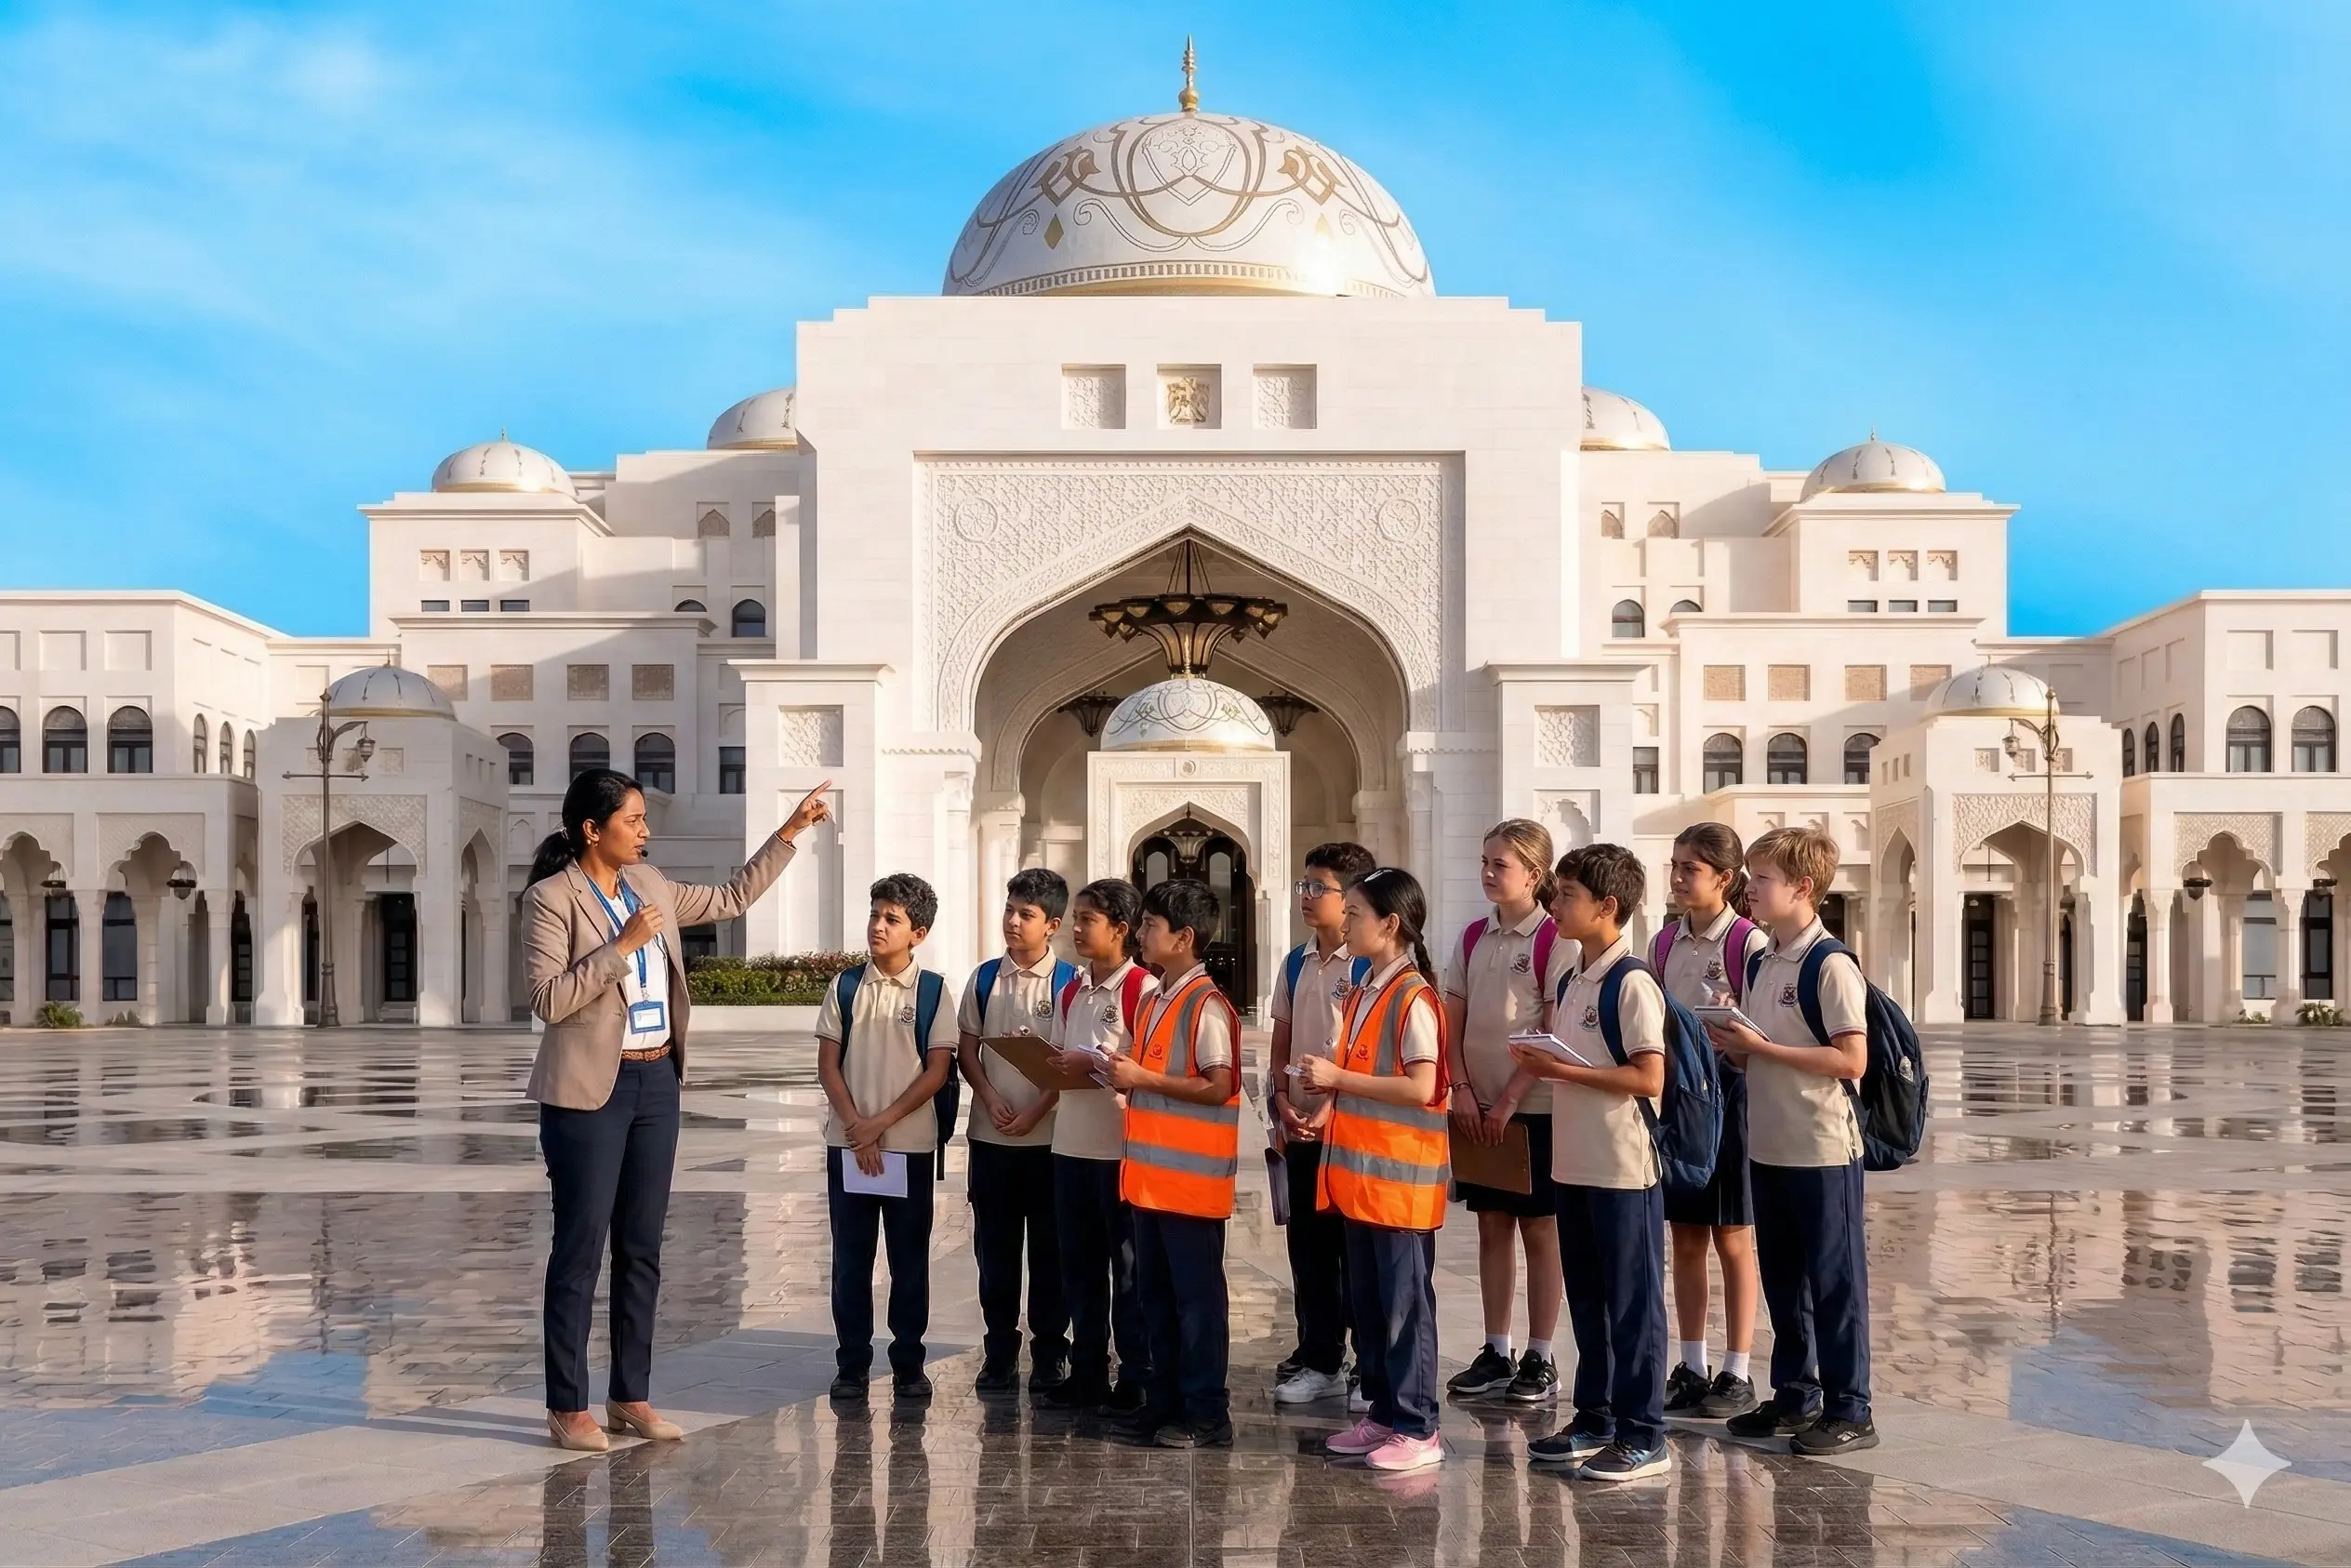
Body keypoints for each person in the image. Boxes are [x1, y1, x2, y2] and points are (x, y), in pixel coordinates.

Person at [524, 769, 831, 1452]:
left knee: (643, 1248)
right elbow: (548, 1000)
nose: (645, 831)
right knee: (579, 1251)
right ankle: (566, 1405)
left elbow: (732, 896)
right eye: (633, 820)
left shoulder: (652, 885)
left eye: (643, 819)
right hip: (587, 1096)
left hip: (655, 1080)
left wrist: (791, 830)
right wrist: (622, 947)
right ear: (592, 830)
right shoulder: (551, 899)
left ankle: (631, 1395)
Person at [1704, 825, 1879, 1456]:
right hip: (1770, 1142)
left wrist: (1763, 1048)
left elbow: (1851, 1060)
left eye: (1764, 879)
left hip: (1822, 1148)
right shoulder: (1761, 959)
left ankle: (1850, 1407)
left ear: (1804, 887)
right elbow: (1765, 1054)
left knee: (1834, 1281)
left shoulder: (1829, 965)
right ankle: (1796, 1395)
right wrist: (1739, 1045)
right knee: (1785, 1278)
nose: (1751, 890)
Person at [1513, 843, 1670, 1482]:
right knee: (1590, 1300)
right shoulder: (1574, 975)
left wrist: (1559, 1069)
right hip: (1575, 1163)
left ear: (1608, 906)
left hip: (1622, 1168)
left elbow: (1649, 1076)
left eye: (1567, 896)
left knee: (1632, 1306)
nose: (1554, 905)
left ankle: (1644, 1434)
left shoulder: (1631, 982)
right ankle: (1596, 1416)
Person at [1304, 866, 1450, 1473]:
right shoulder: (1367, 989)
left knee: (1403, 1309)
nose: (1348, 921)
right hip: (1361, 1183)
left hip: (1399, 1186)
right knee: (1371, 1306)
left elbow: (1422, 1086)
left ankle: (1418, 1427)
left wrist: (1337, 1080)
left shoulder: (1414, 996)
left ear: (1390, 924)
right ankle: (1386, 1415)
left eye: (1357, 912)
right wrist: (1329, 1104)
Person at [1109, 878, 1241, 1448]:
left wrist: (1142, 1078)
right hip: (1151, 1181)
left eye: (1149, 926)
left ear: (1184, 937)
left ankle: (1207, 1412)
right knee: (1155, 1299)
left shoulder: (1206, 1003)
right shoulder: (1157, 996)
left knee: (1197, 1306)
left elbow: (1218, 1085)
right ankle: (1164, 1402)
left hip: (1191, 1184)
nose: (1140, 934)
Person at [817, 873, 959, 1402]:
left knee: (908, 1259)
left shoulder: (933, 990)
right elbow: (828, 1064)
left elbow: (936, 1070)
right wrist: (858, 1126)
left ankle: (908, 1362)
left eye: (892, 919)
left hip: (909, 1146)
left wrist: (880, 1124)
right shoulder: (846, 986)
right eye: (875, 914)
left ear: (917, 933)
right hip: (849, 1145)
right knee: (851, 1258)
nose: (878, 926)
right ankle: (851, 1363)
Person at [1443, 818, 1566, 1405]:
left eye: (1502, 865)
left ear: (1535, 875)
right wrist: (1462, 1088)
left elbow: (1550, 1028)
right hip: (1475, 1108)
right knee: (1492, 1227)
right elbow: (1454, 1018)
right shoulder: (1472, 937)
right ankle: (1497, 1347)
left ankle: (1541, 1356)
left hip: (1533, 1108)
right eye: (1485, 861)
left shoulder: (1554, 940)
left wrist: (1512, 1098)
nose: (1489, 873)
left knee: (1540, 1230)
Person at [1655, 823, 1768, 1420]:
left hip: (1733, 1096)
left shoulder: (1747, 945)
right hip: (1682, 1102)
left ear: (1724, 879)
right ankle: (1692, 1363)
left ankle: (1738, 1369)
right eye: (1674, 866)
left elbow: (1763, 1028)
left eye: (1689, 869)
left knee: (1734, 1236)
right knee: (1687, 1236)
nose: (1677, 878)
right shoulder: (1663, 945)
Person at [956, 868, 1075, 1397]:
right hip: (991, 1139)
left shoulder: (1071, 984)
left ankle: (1051, 1354)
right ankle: (999, 1351)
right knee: (996, 1252)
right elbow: (967, 1048)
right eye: (1009, 910)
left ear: (1052, 924)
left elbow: (1077, 1064)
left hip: (1052, 1143)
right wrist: (990, 1096)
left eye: (1026, 914)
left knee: (1051, 1254)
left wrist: (1037, 1110)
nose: (1012, 921)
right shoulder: (984, 978)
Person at [1040, 878, 1156, 1416]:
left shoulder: (1144, 992)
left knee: (1129, 1272)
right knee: (1079, 1269)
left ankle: (1136, 1375)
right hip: (1070, 1148)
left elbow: (1150, 1073)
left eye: (1089, 919)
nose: (1077, 929)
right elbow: (1063, 1064)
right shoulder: (1071, 990)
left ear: (1122, 929)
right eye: (1077, 918)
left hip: (1121, 1152)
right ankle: (1087, 1371)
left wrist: (1098, 1064)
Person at [1268, 840, 1377, 1407]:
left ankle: (1367, 1363)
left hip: (1349, 1128)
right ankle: (1320, 1357)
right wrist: (1281, 1104)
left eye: (1320, 888)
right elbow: (1282, 1038)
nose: (1308, 898)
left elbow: (1362, 1049)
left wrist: (1332, 1105)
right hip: (1301, 1127)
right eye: (1304, 887)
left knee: (1354, 1248)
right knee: (1307, 1248)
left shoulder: (1368, 965)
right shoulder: (1296, 961)